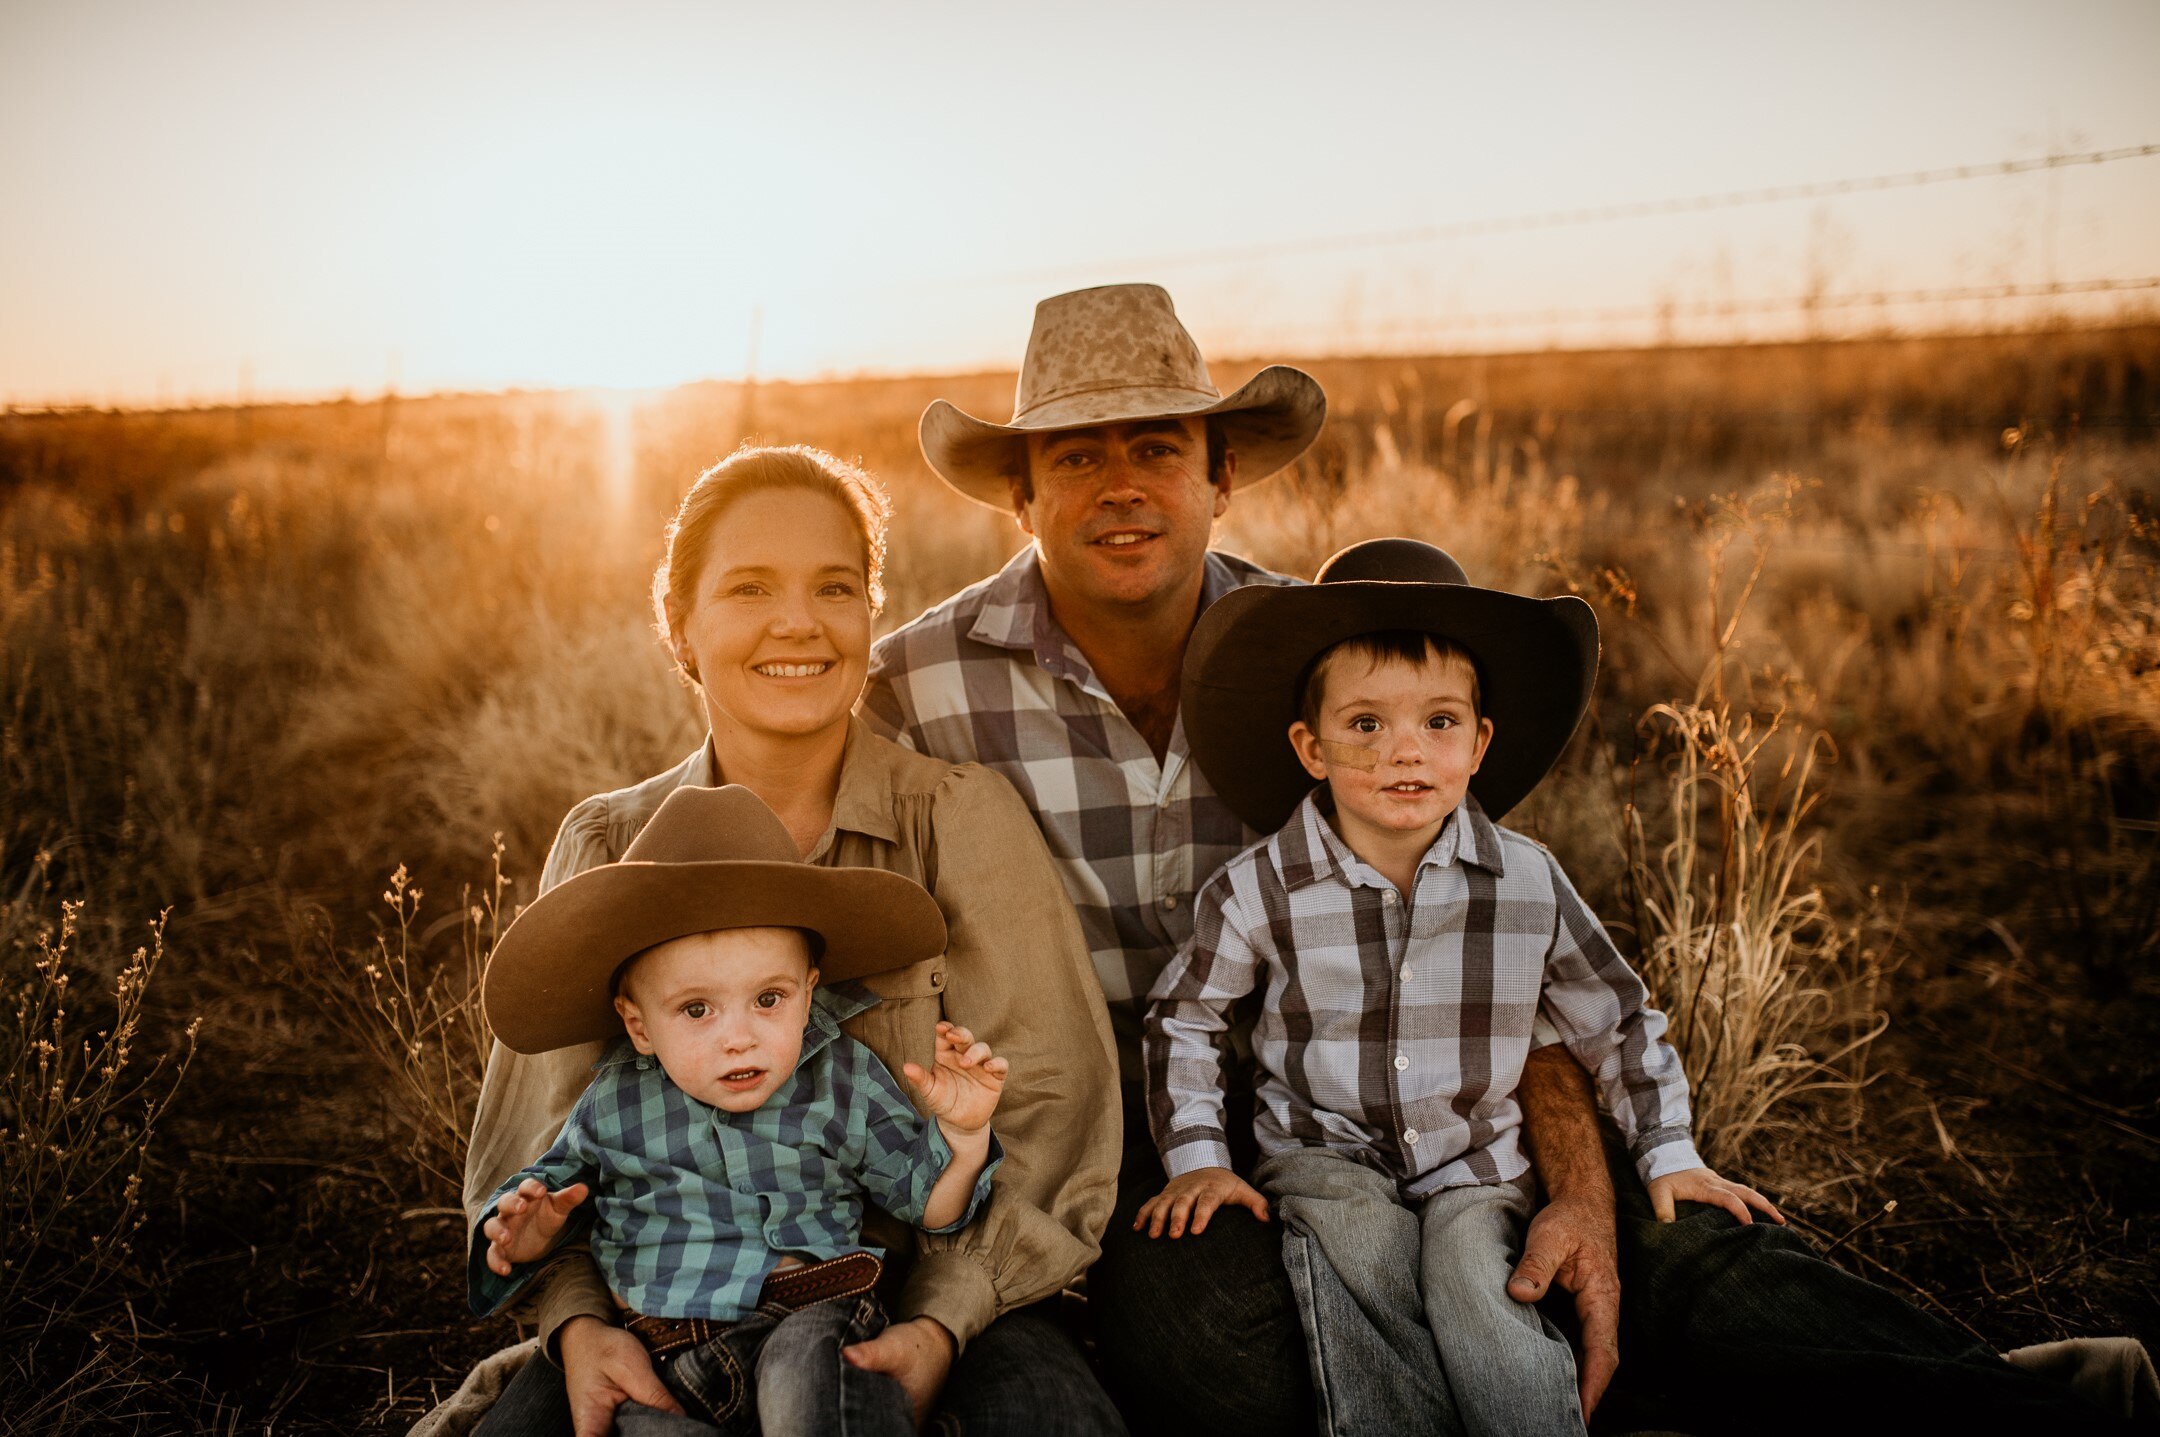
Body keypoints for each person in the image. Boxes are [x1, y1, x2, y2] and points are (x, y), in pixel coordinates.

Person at [862, 282, 2140, 1435]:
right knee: (1215, 1355)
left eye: (1158, 448)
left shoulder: (1334, 671)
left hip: (1405, 1078)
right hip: (1116, 1127)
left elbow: (1490, 956)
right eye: (1076, 456)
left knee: (1655, 1245)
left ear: (1222, 475)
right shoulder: (918, 683)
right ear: (1021, 492)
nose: (1121, 485)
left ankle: (2034, 1409)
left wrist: (1580, 1184)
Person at [456, 445, 1125, 1437]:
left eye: (836, 587)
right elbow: (534, 1146)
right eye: (749, 588)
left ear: (871, 614)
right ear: (679, 626)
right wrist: (579, 1327)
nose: (799, 621)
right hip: (660, 1312)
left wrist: (941, 1324)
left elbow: (1050, 1106)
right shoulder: (608, 844)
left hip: (927, 1292)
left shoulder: (957, 819)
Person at [1138, 539, 1782, 1435]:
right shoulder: (1259, 887)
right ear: (1310, 746)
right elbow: (1186, 1017)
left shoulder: (1527, 881)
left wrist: (1668, 1147)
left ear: (1479, 743)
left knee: (1480, 1289)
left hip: (1475, 1156)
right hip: (1324, 1156)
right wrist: (1200, 1156)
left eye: (1439, 722)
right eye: (1365, 724)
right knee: (1358, 1267)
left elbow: (1615, 1016)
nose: (1405, 750)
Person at [471, 782, 1007, 1436]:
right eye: (697, 1009)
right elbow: (554, 1196)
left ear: (810, 993)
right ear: (638, 1026)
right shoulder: (613, 1104)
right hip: (659, 1353)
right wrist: (527, 1232)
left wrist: (964, 1131)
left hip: (809, 1311)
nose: (739, 1035)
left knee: (809, 1388)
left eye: (768, 998)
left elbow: (931, 1205)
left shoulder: (841, 1079)